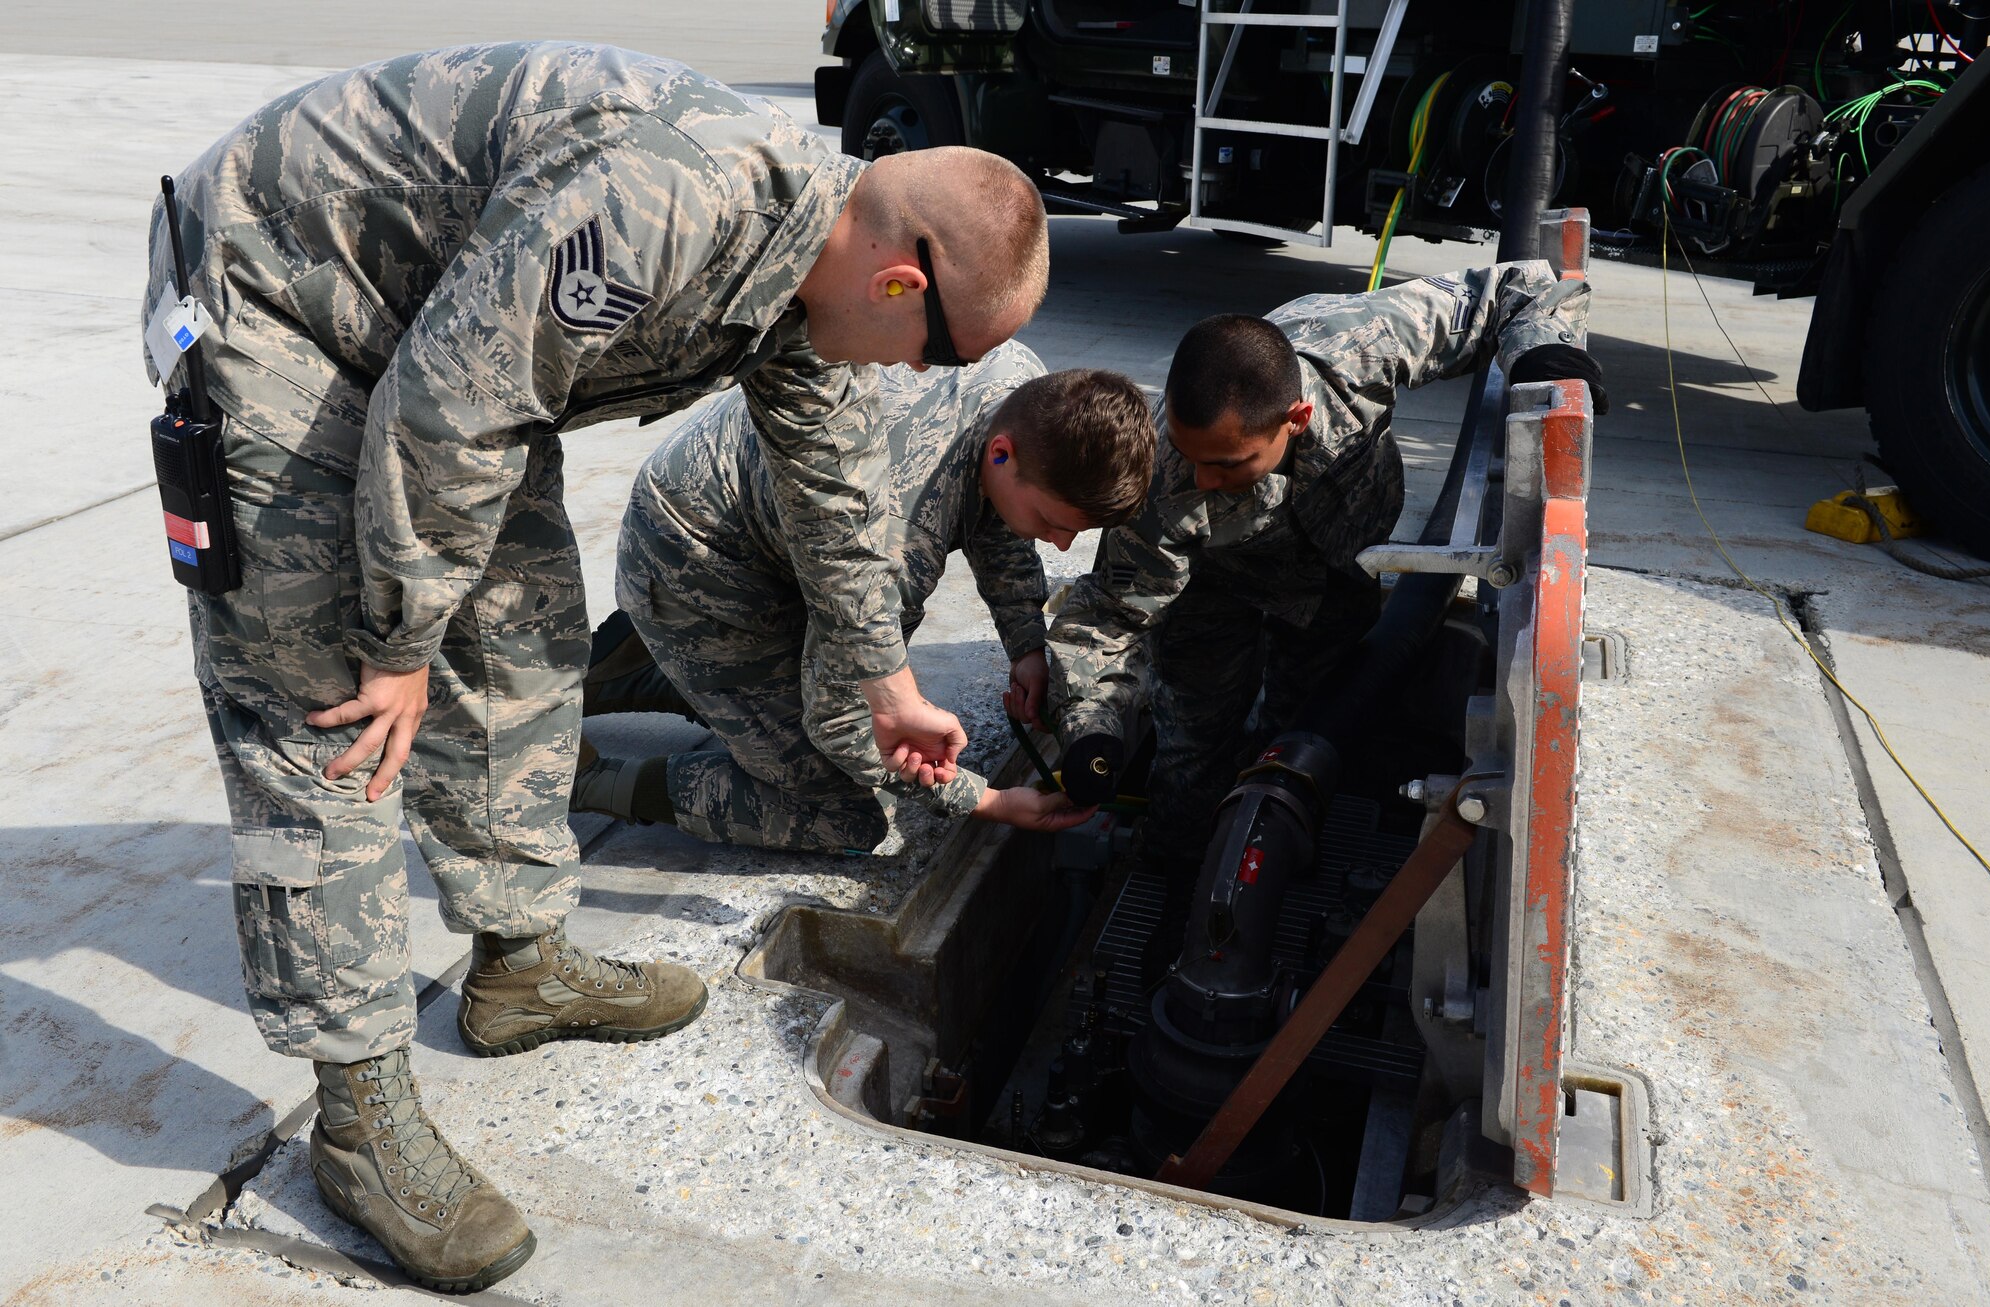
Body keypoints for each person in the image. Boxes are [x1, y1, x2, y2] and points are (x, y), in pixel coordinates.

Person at [143, 42, 1048, 1292]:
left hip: (434, 342)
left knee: (518, 636)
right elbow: (447, 411)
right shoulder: (663, 202)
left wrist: (888, 684)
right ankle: (358, 1119)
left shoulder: (805, 272)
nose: (916, 380)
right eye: (936, 356)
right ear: (900, 282)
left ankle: (516, 964)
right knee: (331, 706)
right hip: (274, 294)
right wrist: (400, 643)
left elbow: (837, 502)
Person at [1042, 264, 1602, 976]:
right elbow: (1107, 617)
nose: (1204, 478)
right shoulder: (1165, 479)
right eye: (1192, 456)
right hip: (1211, 595)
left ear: (1296, 419)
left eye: (1229, 462)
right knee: (1192, 756)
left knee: (1310, 728)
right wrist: (1091, 726)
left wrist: (1542, 355)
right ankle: (1183, 895)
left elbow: (1521, 284)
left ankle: (1284, 863)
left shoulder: (1359, 348)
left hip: (1337, 576)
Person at [572, 340, 1157, 852]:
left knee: (815, 690)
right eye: (1055, 523)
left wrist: (1026, 642)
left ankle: (661, 667)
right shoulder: (892, 540)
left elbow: (996, 512)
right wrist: (986, 802)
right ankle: (589, 778)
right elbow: (845, 720)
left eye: (1076, 534)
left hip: (743, 526)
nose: (1060, 547)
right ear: (1003, 453)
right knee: (845, 813)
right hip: (696, 562)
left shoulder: (1022, 385)